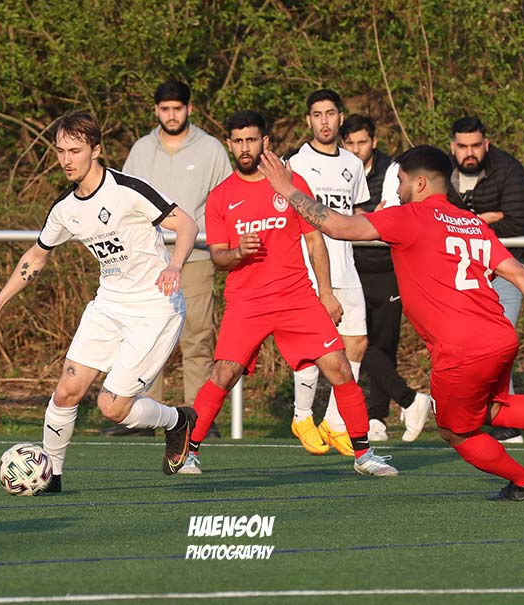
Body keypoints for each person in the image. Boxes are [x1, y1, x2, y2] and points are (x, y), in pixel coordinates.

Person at [259, 144, 524, 501]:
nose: (397, 190)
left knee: (455, 431)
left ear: (420, 183)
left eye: (401, 181)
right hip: (499, 336)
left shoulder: (410, 216)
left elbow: (337, 226)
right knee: (493, 407)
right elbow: (519, 272)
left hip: (460, 348)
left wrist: (287, 189)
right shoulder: (471, 222)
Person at [0, 110, 200, 490]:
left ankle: (178, 421)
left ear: (96, 150)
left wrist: (175, 264)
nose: (66, 160)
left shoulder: (128, 189)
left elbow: (187, 224)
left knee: (112, 407)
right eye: (60, 151)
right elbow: (36, 257)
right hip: (109, 304)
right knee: (66, 391)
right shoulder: (65, 208)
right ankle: (51, 477)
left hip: (155, 307)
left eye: (75, 151)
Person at [173, 110, 396, 477]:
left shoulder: (292, 184)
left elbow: (315, 240)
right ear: (229, 144)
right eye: (238, 141)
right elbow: (218, 257)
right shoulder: (220, 197)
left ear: (265, 142)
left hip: (296, 297)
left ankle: (364, 454)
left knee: (340, 367)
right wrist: (237, 253)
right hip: (247, 302)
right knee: (224, 373)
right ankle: (188, 452)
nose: (245, 148)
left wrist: (326, 293)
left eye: (251, 139)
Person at [104, 80, 232, 437]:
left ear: (189, 109)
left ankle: (198, 416)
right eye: (165, 109)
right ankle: (142, 414)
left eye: (178, 108)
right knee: (145, 336)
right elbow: (123, 200)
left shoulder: (211, 149)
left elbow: (224, 201)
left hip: (196, 257)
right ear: (156, 110)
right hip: (148, 261)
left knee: (196, 337)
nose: (171, 115)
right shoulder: (141, 150)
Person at [282, 89, 371, 457]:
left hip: (345, 266)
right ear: (308, 120)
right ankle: (302, 416)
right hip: (307, 266)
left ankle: (334, 422)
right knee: (313, 346)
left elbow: (356, 213)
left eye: (330, 113)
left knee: (357, 341)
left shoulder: (353, 164)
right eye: (317, 114)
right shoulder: (295, 163)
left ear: (340, 118)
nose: (324, 121)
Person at [340, 114, 431, 442]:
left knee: (383, 343)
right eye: (350, 143)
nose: (356, 148)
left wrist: (360, 217)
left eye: (362, 142)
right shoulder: (338, 171)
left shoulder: (393, 170)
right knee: (351, 340)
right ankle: (409, 399)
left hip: (389, 268)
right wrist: (363, 216)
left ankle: (377, 417)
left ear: (374, 142)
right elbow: (344, 215)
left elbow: (393, 215)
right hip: (350, 267)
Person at [447, 117, 524, 445]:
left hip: (504, 273)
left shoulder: (508, 170)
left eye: (475, 145)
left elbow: (520, 222)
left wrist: (470, 226)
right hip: (462, 274)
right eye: (462, 146)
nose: (469, 152)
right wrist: (483, 220)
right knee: (464, 347)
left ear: (486, 144)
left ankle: (508, 422)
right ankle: (478, 417)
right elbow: (435, 220)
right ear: (452, 147)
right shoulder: (443, 173)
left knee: (498, 343)